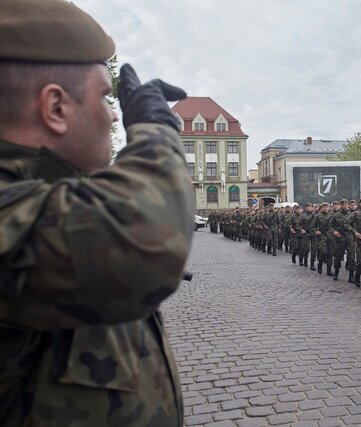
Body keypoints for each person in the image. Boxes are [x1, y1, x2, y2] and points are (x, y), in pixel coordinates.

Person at [0, 0, 194, 425]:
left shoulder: (49, 191)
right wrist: (155, 131)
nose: (113, 115)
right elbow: (140, 241)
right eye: (107, 98)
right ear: (55, 108)